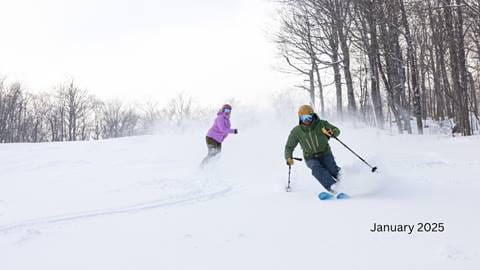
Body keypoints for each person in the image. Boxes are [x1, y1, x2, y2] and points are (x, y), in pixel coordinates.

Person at [284, 105, 342, 197]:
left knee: (332, 169)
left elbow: (337, 130)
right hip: (310, 157)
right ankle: (334, 188)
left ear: (313, 115)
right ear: (300, 117)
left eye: (309, 116)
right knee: (316, 169)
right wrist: (288, 157)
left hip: (325, 153)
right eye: (303, 117)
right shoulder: (297, 131)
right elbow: (289, 146)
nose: (306, 119)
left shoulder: (322, 124)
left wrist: (331, 132)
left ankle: (349, 183)